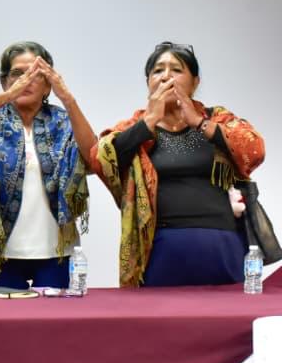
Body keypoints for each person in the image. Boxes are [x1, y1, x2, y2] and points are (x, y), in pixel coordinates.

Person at [89, 42, 265, 287]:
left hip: (221, 243)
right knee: (159, 311)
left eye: (176, 69)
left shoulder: (217, 119)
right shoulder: (135, 126)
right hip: (160, 248)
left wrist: (199, 123)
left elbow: (254, 149)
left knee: (227, 310)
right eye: (158, 71)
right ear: (148, 82)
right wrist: (148, 122)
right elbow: (100, 160)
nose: (166, 76)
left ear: (195, 82)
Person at [0, 42, 96, 289]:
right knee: (3, 315)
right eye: (17, 73)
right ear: (4, 82)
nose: (25, 80)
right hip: (0, 254)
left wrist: (68, 99)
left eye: (35, 74)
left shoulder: (64, 121)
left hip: (57, 253)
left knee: (53, 315)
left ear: (48, 84)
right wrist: (4, 99)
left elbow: (93, 159)